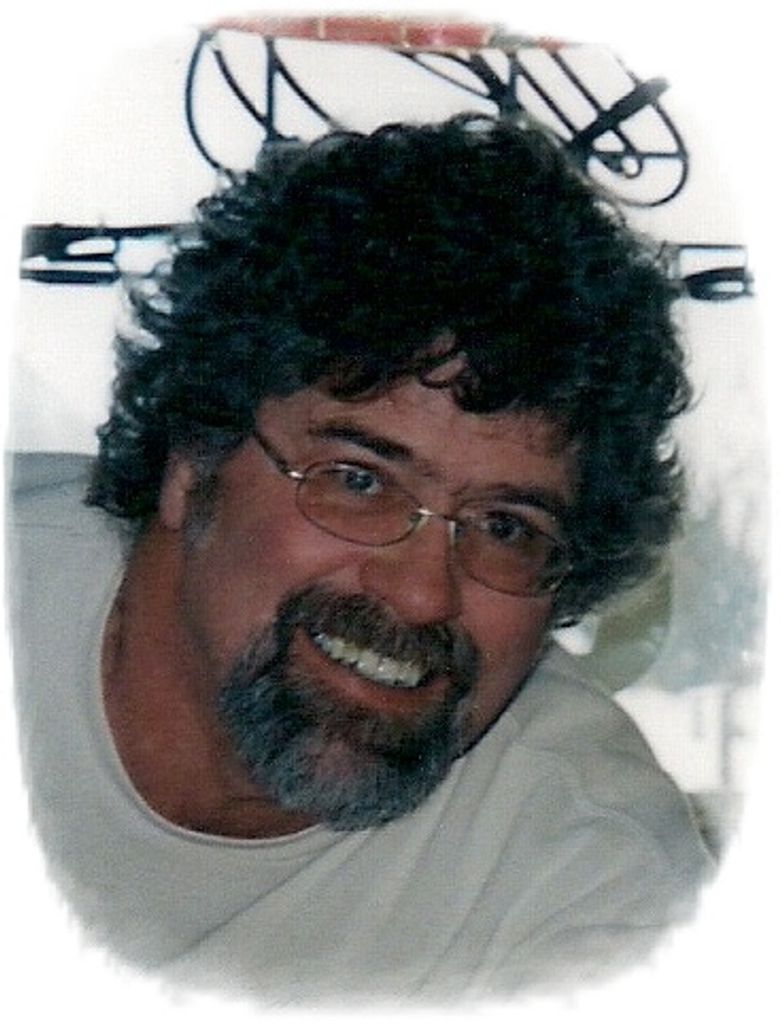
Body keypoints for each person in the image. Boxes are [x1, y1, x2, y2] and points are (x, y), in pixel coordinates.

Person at [10, 114, 712, 1005]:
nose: (422, 594)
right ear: (192, 464)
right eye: (359, 482)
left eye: (505, 528)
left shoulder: (588, 879)